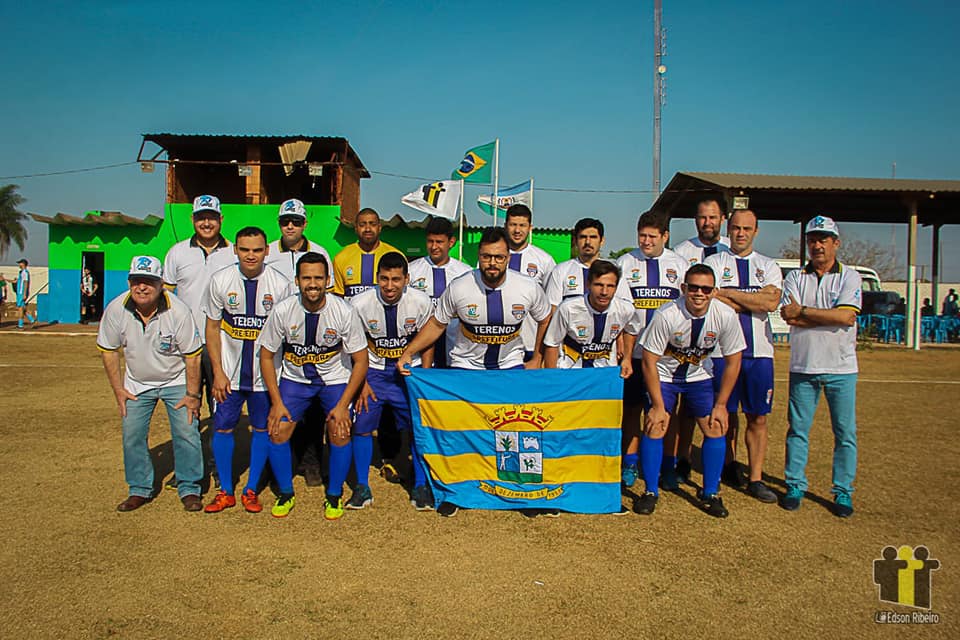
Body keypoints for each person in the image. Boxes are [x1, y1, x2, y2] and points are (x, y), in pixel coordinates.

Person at [397, 227, 552, 516]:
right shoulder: (459, 286)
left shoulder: (528, 287)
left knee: (516, 431)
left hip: (509, 367)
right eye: (486, 257)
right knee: (462, 433)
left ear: (508, 257)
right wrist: (409, 351)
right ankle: (457, 491)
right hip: (466, 368)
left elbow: (545, 318)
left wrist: (538, 357)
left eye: (498, 257)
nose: (492, 263)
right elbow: (437, 324)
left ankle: (521, 492)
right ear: (478, 256)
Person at [257, 252, 369, 520]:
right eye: (306, 277)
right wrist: (276, 401)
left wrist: (343, 405)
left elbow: (361, 360)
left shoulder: (344, 311)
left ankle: (333, 495)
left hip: (334, 379)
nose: (313, 283)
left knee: (340, 431)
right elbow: (265, 354)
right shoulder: (283, 310)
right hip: (296, 379)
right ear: (297, 280)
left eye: (318, 277)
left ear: (328, 280)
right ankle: (285, 493)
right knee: (277, 430)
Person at [96, 256, 204, 512]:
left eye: (149, 282)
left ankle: (189, 487)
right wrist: (118, 390)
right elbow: (109, 350)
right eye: (136, 282)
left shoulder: (178, 311)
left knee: (187, 433)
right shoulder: (115, 309)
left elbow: (192, 355)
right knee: (132, 436)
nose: (142, 288)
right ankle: (139, 489)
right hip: (136, 384)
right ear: (129, 282)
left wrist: (192, 394)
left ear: (161, 284)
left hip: (175, 380)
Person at [637, 264, 745, 518]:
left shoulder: (725, 315)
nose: (699, 293)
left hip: (699, 377)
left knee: (716, 425)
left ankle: (710, 493)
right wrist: (657, 405)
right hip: (664, 376)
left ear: (714, 291)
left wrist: (721, 404)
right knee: (656, 424)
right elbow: (649, 360)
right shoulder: (667, 314)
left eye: (706, 289)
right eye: (693, 287)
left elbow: (734, 360)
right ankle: (650, 491)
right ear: (684, 288)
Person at [201, 227, 293, 515]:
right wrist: (217, 371)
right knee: (224, 427)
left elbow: (286, 335)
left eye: (256, 250)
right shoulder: (220, 280)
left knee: (263, 429)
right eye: (244, 249)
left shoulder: (280, 285)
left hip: (265, 377)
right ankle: (225, 490)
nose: (250, 255)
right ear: (235, 250)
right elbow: (212, 328)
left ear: (267, 250)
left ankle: (251, 488)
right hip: (228, 374)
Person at [779, 215, 862, 518]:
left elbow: (846, 318)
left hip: (841, 367)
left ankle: (842, 491)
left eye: (823, 239)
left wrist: (805, 312)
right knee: (798, 430)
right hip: (803, 365)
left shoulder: (849, 277)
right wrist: (821, 314)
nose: (817, 245)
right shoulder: (795, 278)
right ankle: (795, 485)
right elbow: (790, 316)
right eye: (813, 239)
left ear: (835, 243)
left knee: (844, 433)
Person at [703, 209, 782, 502]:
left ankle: (757, 478)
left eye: (747, 228)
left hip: (759, 353)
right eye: (736, 227)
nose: (740, 233)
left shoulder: (768, 265)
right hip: (722, 352)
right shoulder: (714, 262)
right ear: (728, 228)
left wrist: (730, 295)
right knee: (725, 413)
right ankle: (728, 465)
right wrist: (753, 299)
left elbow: (771, 302)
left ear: (756, 231)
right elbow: (711, 298)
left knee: (758, 417)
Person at [350, 252, 435, 510]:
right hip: (373, 373)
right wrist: (361, 382)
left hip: (409, 374)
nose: (389, 286)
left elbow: (429, 339)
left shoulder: (421, 302)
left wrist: (425, 376)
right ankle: (361, 487)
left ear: (407, 279)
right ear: (377, 278)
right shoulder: (359, 303)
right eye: (384, 279)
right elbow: (354, 343)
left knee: (417, 428)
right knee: (362, 427)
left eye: (396, 279)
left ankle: (420, 485)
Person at [614, 210, 688, 489]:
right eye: (642, 235)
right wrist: (622, 342)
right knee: (631, 410)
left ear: (665, 236)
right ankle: (630, 463)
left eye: (652, 236)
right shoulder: (625, 262)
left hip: (667, 357)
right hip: (633, 354)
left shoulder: (679, 264)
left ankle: (667, 465)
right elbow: (620, 310)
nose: (645, 241)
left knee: (665, 412)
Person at [331, 207, 403, 482]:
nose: (368, 229)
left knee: (387, 409)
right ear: (356, 227)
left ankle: (388, 457)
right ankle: (344, 459)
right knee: (357, 403)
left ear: (380, 227)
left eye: (373, 224)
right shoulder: (342, 258)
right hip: (352, 343)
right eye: (363, 224)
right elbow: (338, 302)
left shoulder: (392, 255)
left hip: (385, 343)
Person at [163, 195, 237, 418]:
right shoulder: (177, 252)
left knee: (220, 404)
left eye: (211, 217)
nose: (206, 223)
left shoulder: (233, 253)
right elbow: (166, 295)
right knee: (187, 403)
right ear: (192, 219)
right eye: (201, 218)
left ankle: (216, 451)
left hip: (221, 342)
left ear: (221, 219)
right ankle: (192, 452)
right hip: (186, 343)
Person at [543, 259, 639, 374]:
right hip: (570, 373)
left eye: (610, 286)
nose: (604, 291)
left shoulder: (626, 309)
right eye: (599, 285)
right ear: (588, 285)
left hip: (605, 373)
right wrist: (552, 378)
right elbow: (552, 344)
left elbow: (631, 330)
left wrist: (627, 359)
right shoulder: (568, 308)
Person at [408, 216, 471, 368]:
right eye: (431, 241)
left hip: (455, 349)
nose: (434, 246)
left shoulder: (465, 273)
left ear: (451, 242)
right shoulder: (412, 270)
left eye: (439, 242)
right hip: (421, 347)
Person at [503, 204, 556, 365]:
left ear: (530, 227)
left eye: (522, 225)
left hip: (532, 344)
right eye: (513, 225)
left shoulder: (544, 260)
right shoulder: (493, 258)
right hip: (499, 344)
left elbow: (550, 306)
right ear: (505, 226)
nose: (517, 230)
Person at [264, 198, 333, 284]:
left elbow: (328, 287)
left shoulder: (319, 252)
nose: (290, 226)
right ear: (279, 223)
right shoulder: (267, 252)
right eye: (284, 222)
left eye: (296, 222)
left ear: (305, 224)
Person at [544, 217, 606, 309]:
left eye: (593, 237)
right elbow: (553, 308)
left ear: (602, 241)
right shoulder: (561, 270)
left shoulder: (612, 270)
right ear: (575, 240)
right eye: (583, 237)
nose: (588, 242)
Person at [672, 196, 730, 265]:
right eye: (702, 218)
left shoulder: (730, 248)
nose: (707, 223)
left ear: (722, 219)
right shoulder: (680, 252)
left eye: (712, 217)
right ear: (696, 219)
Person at [15, 258, 35, 329]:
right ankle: (31, 319)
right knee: (22, 308)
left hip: (21, 293)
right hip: (20, 292)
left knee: (20, 308)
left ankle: (20, 325)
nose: (19, 265)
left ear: (23, 264)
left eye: (20, 263)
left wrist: (24, 294)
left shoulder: (25, 272)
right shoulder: (21, 272)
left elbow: (25, 283)